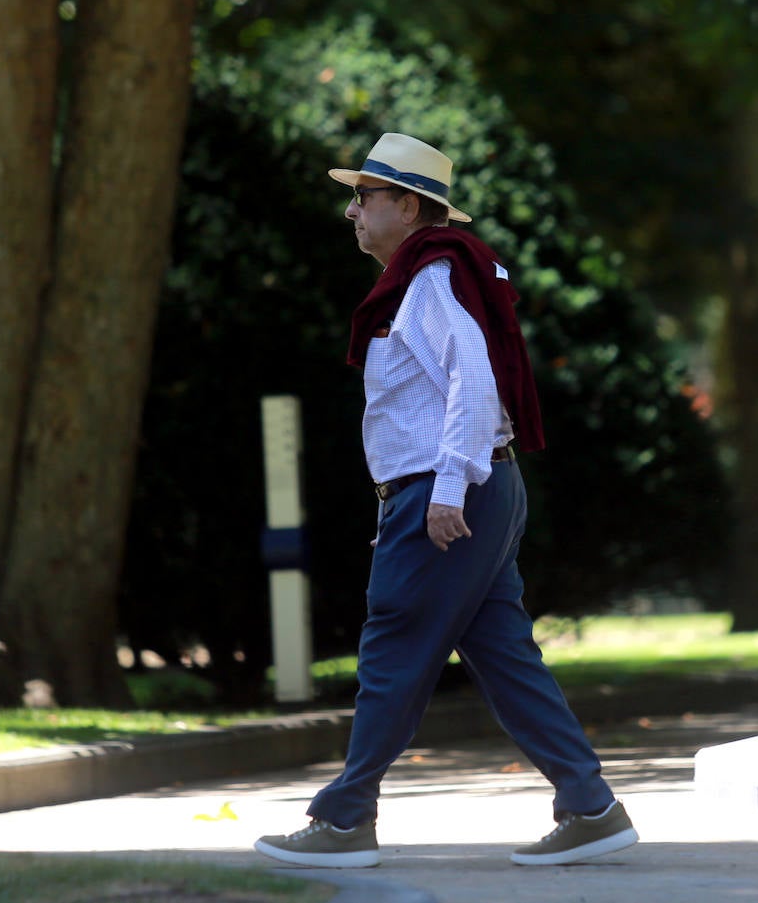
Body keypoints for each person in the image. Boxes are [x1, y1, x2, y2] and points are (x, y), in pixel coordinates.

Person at [253, 133, 638, 869]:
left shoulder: (429, 278)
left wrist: (444, 492)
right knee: (503, 656)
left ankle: (343, 821)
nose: (352, 211)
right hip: (473, 488)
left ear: (406, 204)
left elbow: (474, 383)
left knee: (392, 647)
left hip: (449, 491)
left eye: (363, 195)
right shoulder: (433, 274)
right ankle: (591, 805)